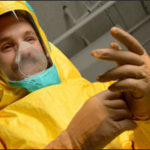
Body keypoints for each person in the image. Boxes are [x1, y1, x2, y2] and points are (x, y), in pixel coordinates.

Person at [0, 1, 149, 149]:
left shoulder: (107, 92)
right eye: (6, 46)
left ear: (45, 45)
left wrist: (146, 118)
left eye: (29, 39)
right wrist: (70, 143)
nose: (25, 51)